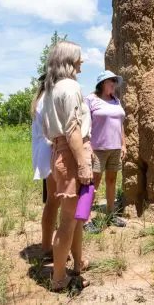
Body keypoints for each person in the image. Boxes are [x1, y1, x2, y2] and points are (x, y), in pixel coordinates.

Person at [39, 41, 93, 292]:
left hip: (61, 151)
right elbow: (72, 129)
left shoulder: (51, 89)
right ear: (70, 60)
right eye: (79, 58)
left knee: (76, 218)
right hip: (73, 153)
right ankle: (59, 278)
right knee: (69, 220)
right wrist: (83, 164)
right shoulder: (70, 87)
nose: (82, 62)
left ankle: (78, 263)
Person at [83, 70, 127, 233]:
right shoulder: (90, 100)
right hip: (97, 149)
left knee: (112, 181)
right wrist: (87, 146)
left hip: (115, 148)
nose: (114, 85)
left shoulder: (116, 100)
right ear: (102, 83)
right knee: (92, 185)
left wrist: (123, 144)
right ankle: (85, 219)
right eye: (111, 82)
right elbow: (85, 124)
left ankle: (111, 214)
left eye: (115, 82)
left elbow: (120, 123)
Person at [31, 75, 58, 260]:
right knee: (54, 201)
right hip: (50, 150)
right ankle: (48, 247)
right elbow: (53, 130)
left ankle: (48, 244)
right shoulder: (47, 99)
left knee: (53, 200)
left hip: (46, 151)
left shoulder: (42, 99)